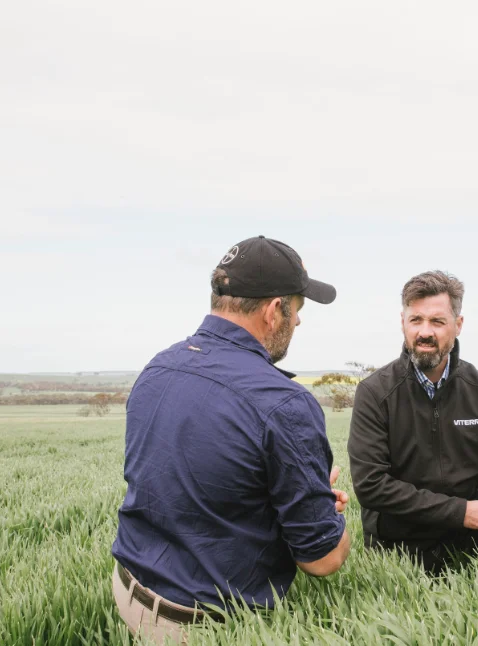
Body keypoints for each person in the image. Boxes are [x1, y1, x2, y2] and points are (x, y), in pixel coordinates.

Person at [112, 235, 351, 644]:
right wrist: (327, 512)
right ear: (276, 310)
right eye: (297, 308)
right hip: (203, 628)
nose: (299, 321)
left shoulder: (158, 367)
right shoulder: (283, 403)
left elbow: (198, 491)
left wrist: (296, 490)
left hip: (126, 592)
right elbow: (323, 560)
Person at [348, 270, 478, 574]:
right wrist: (459, 511)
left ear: (458, 325)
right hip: (402, 534)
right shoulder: (375, 392)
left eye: (437, 321)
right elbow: (371, 485)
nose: (425, 332)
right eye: (416, 320)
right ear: (402, 321)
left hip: (470, 528)